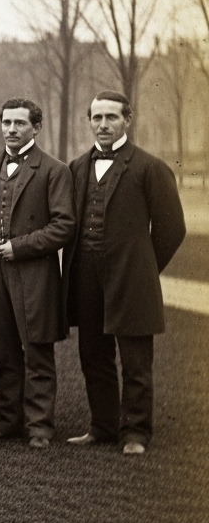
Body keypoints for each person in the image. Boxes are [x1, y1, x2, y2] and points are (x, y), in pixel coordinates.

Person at [64, 91, 185, 455]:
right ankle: (102, 426)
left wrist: (144, 268)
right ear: (89, 121)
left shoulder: (150, 167)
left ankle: (135, 433)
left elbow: (171, 229)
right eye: (97, 117)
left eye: (111, 117)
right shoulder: (77, 167)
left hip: (132, 278)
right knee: (93, 355)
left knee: (135, 361)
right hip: (86, 276)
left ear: (127, 121)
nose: (103, 125)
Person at [0, 99, 74, 449]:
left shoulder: (54, 170)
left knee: (37, 349)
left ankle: (39, 427)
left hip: (34, 272)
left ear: (35, 128)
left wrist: (21, 246)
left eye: (19, 123)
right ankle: (9, 422)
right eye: (6, 122)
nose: (11, 129)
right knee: (2, 349)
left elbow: (64, 226)